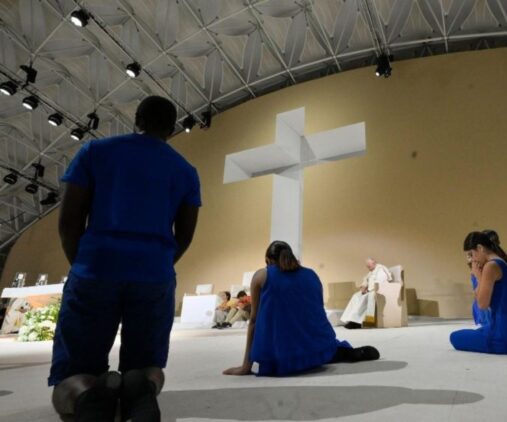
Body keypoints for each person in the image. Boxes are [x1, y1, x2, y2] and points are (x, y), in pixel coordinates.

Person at [49, 96, 200, 422]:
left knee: (73, 371)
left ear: (138, 119)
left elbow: (69, 221)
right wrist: (159, 263)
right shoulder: (186, 171)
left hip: (96, 267)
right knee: (148, 366)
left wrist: (82, 264)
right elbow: (185, 234)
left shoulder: (95, 151)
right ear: (171, 127)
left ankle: (86, 394)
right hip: (154, 275)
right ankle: (141, 387)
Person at [223, 241, 379, 377]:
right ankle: (341, 353)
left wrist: (246, 366)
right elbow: (316, 311)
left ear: (268, 260)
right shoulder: (311, 274)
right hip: (318, 349)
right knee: (323, 346)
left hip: (282, 357)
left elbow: (254, 321)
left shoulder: (261, 276)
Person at [450, 232, 507, 355]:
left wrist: (478, 276)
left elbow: (482, 305)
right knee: (481, 330)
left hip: (505, 339)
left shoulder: (491, 266)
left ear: (480, 248)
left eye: (472, 254)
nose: (473, 259)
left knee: (455, 336)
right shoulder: (503, 262)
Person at [340, 258, 392, 329]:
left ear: (374, 263)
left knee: (367, 298)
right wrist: (363, 287)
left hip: (378, 291)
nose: (368, 268)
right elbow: (366, 280)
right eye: (367, 267)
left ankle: (364, 322)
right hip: (370, 290)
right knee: (356, 296)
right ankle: (350, 319)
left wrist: (367, 290)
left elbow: (378, 284)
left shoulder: (381, 271)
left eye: (369, 266)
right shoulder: (371, 272)